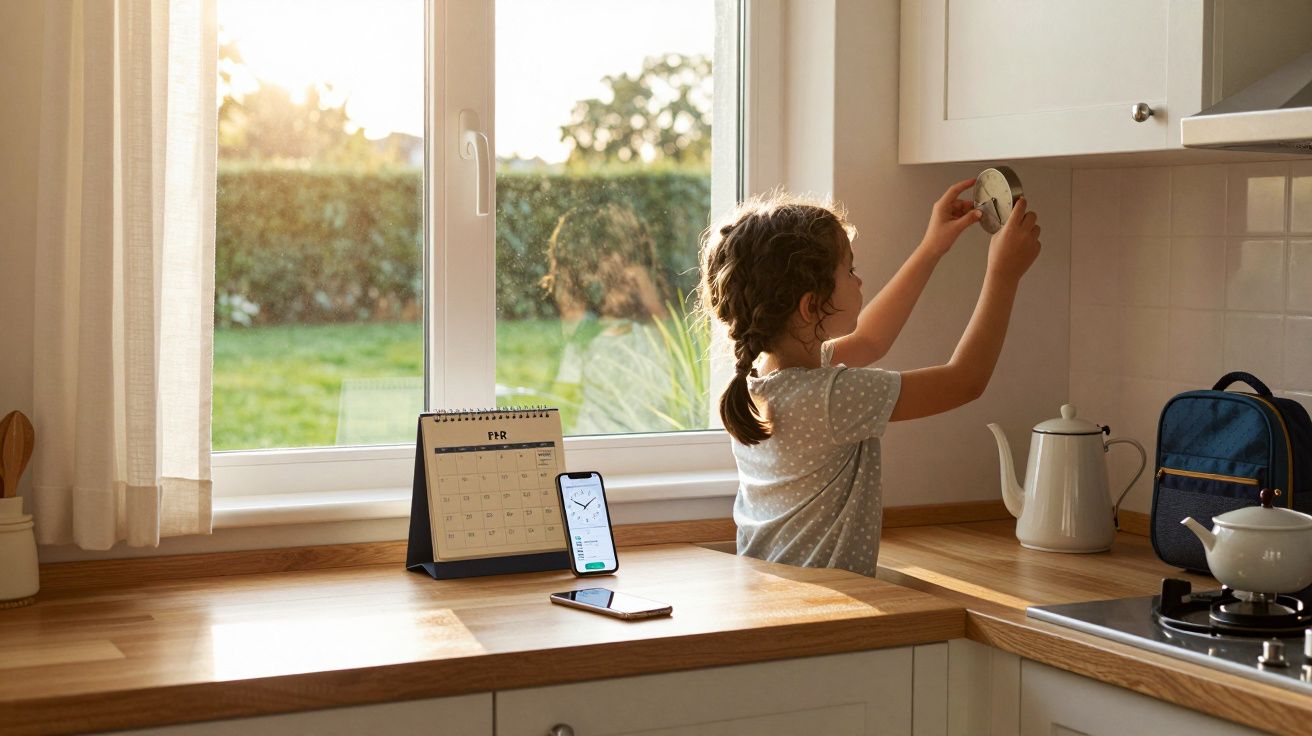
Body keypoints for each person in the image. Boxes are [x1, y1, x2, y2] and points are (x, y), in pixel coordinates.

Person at [698, 181, 1041, 576]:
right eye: (850, 271)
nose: (858, 281)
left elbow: (871, 340)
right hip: (821, 608)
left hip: (782, 595)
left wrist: (933, 248)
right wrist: (1004, 275)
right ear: (811, 307)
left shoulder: (770, 381)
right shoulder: (829, 396)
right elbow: (965, 381)